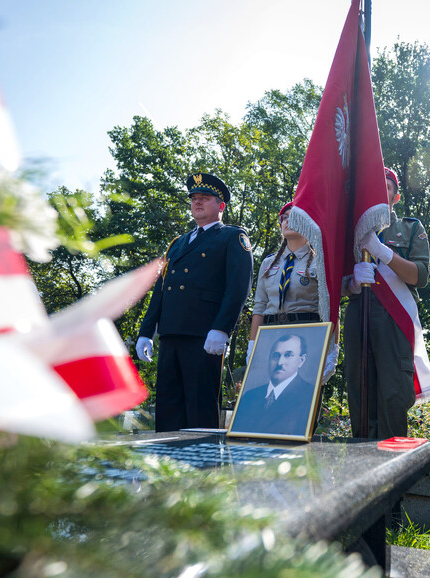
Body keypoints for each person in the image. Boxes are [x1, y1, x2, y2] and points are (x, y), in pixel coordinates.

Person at [135, 172, 253, 431]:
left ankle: (203, 468)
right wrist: (147, 331)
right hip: (170, 332)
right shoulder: (178, 244)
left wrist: (222, 328)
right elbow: (161, 289)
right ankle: (168, 463)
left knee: (200, 407)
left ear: (221, 206)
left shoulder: (232, 237)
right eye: (194, 198)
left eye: (205, 198)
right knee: (168, 405)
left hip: (204, 334)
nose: (197, 202)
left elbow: (238, 287)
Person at [343, 167, 430, 439]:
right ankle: (361, 471)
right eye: (374, 185)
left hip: (394, 317)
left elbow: (420, 275)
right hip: (359, 312)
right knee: (359, 391)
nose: (381, 190)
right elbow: (337, 281)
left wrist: (383, 252)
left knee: (393, 394)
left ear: (396, 196)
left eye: (387, 186)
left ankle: (392, 470)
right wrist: (352, 283)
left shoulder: (410, 227)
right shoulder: (349, 230)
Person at [248, 202, 339, 380]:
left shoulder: (320, 261)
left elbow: (332, 309)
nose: (288, 221)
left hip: (306, 337)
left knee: (301, 401)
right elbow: (259, 307)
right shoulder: (268, 263)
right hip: (270, 336)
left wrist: (332, 350)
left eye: (295, 217)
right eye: (284, 218)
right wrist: (253, 344)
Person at [231, 333, 316, 437]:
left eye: (288, 355)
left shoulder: (309, 396)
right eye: (276, 355)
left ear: (301, 361)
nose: (280, 362)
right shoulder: (249, 396)